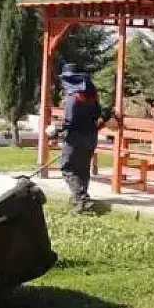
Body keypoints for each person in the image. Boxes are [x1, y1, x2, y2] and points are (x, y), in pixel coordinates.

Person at [52, 63, 113, 213]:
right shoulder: (92, 95)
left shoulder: (73, 97)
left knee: (68, 168)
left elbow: (70, 122)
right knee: (83, 169)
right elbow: (98, 115)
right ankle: (80, 197)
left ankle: (82, 200)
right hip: (91, 137)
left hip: (75, 139)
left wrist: (56, 130)